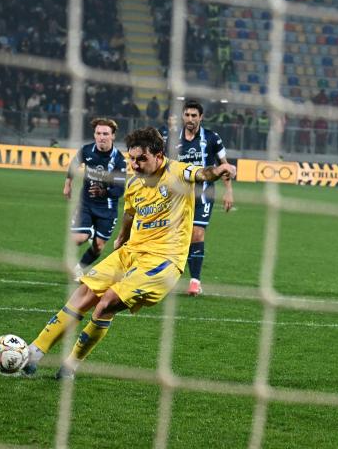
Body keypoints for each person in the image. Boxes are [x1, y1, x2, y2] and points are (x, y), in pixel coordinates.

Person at [20, 126, 236, 379]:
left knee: (106, 303)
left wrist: (219, 170)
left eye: (141, 159)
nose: (134, 164)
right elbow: (130, 213)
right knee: (85, 292)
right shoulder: (134, 183)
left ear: (158, 155)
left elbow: (202, 173)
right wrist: (122, 237)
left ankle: (70, 366)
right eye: (131, 158)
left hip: (164, 261)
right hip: (132, 251)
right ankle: (34, 352)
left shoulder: (177, 172)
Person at [160, 100, 234, 296]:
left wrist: (228, 191)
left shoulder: (212, 138)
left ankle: (195, 281)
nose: (190, 119)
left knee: (197, 233)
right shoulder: (172, 139)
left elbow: (224, 165)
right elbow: (165, 167)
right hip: (179, 196)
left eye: (194, 116)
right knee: (178, 236)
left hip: (204, 194)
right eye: (187, 115)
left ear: (201, 117)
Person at [64, 117, 127, 279]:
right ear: (94, 135)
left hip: (107, 209)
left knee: (98, 247)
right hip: (86, 203)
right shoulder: (86, 150)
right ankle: (90, 231)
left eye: (105, 134)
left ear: (113, 136)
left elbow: (120, 189)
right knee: (78, 238)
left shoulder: (119, 160)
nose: (101, 137)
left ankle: (79, 267)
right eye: (98, 133)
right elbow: (74, 164)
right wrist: (68, 183)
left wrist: (104, 192)